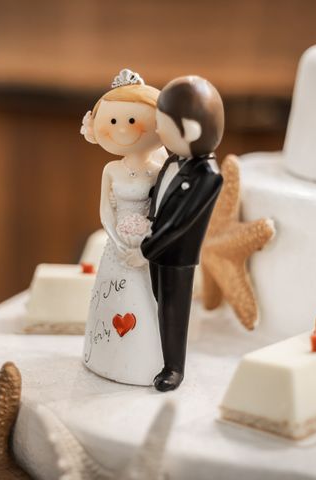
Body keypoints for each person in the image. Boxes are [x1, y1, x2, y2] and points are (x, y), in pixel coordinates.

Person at [81, 69, 166, 385]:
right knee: (112, 297)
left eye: (132, 121)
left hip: (145, 249)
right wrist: (117, 241)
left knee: (143, 300)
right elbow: (105, 210)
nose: (122, 130)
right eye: (113, 122)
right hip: (117, 249)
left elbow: (163, 211)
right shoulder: (111, 169)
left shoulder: (159, 171)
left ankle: (143, 362)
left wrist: (146, 245)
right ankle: (105, 358)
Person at [141, 75, 225, 392]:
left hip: (175, 255)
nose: (158, 130)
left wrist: (151, 244)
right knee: (156, 302)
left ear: (188, 131)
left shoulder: (208, 176)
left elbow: (181, 222)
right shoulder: (174, 159)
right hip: (156, 245)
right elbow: (160, 198)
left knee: (174, 311)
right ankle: (153, 352)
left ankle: (173, 367)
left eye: (163, 124)